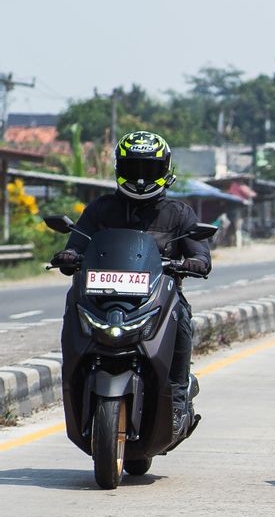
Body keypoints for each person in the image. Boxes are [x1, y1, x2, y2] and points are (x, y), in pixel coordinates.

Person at [50, 131, 211, 436]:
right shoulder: (100, 209)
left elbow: (200, 254)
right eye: (133, 169)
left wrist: (193, 263)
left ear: (165, 170)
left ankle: (176, 401)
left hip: (156, 301)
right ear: (120, 170)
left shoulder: (179, 214)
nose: (139, 179)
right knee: (71, 309)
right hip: (101, 299)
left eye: (148, 170)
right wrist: (69, 255)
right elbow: (77, 243)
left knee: (184, 322)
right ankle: (75, 388)